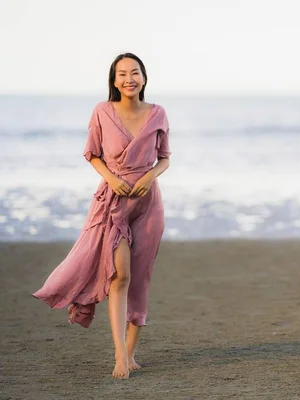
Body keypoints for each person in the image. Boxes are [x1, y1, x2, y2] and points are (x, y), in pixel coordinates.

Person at [33, 52, 171, 379]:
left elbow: (164, 159)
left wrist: (148, 177)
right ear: (114, 80)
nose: (129, 79)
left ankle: (132, 351)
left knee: (140, 278)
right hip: (113, 202)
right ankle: (120, 355)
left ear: (144, 77)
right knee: (119, 275)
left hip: (148, 205)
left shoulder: (158, 113)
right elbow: (92, 154)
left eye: (135, 73)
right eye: (122, 74)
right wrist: (111, 178)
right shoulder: (102, 111)